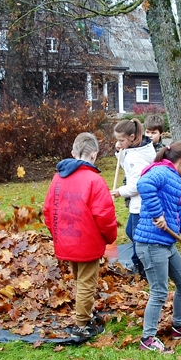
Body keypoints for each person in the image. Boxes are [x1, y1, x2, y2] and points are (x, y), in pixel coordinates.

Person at [43, 132, 118, 342]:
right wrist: (109, 237)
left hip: (66, 239)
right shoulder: (94, 180)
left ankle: (84, 312)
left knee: (79, 279)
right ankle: (81, 325)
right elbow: (104, 216)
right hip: (87, 241)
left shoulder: (58, 178)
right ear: (94, 154)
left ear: (73, 153)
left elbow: (48, 210)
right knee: (86, 282)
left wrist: (56, 233)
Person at [134, 142, 181, 354]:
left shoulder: (175, 180)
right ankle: (147, 339)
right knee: (159, 291)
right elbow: (144, 184)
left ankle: (179, 325)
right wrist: (157, 214)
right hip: (151, 243)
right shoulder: (162, 172)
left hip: (166, 243)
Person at [110, 119, 156, 278]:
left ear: (131, 137)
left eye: (121, 140)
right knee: (131, 230)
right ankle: (147, 252)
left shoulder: (135, 157)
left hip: (141, 203)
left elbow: (137, 185)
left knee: (138, 238)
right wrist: (119, 151)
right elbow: (127, 164)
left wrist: (120, 191)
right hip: (143, 202)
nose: (118, 142)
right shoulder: (140, 149)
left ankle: (143, 270)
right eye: (117, 140)